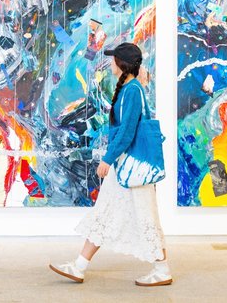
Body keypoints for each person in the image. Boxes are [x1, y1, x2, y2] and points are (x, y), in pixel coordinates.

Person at [49, 42, 172, 287]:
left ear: (121, 63)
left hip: (134, 164)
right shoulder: (130, 88)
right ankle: (79, 266)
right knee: (104, 212)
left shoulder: (132, 90)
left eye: (113, 59)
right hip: (125, 165)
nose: (110, 63)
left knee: (146, 217)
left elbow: (127, 131)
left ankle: (162, 270)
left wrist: (107, 158)